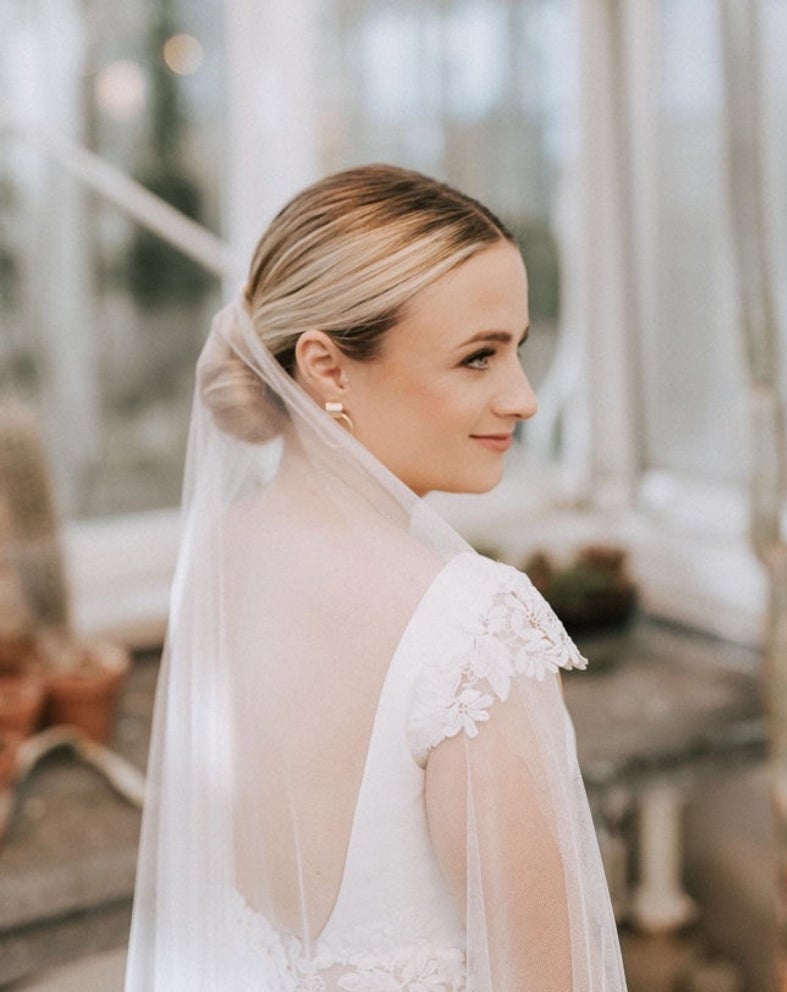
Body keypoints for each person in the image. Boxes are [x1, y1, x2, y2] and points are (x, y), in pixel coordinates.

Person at [125, 164, 627, 991]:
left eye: (517, 350)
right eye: (478, 358)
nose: (525, 397)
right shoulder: (473, 630)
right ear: (327, 369)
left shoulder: (223, 553)